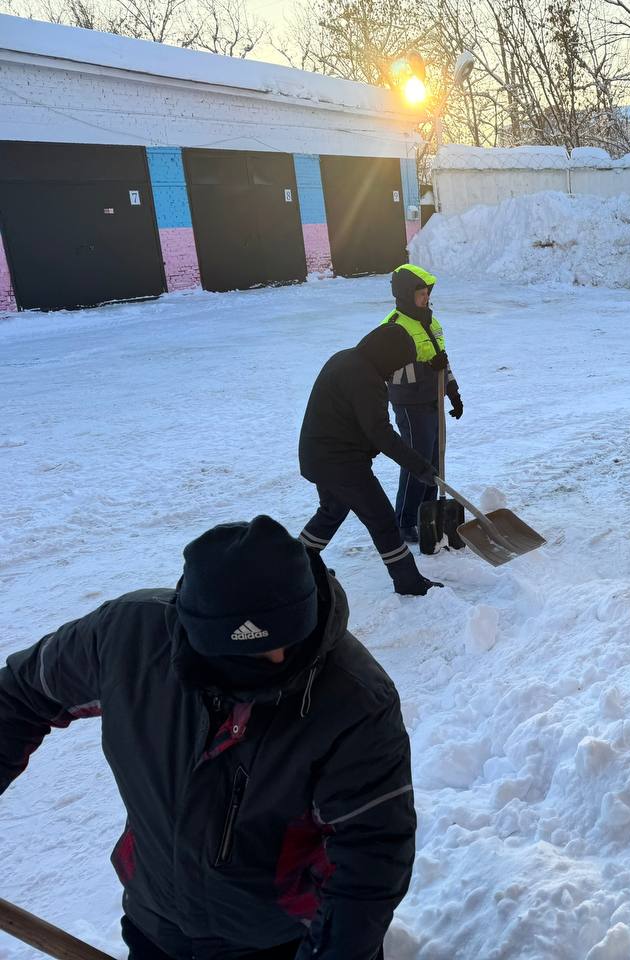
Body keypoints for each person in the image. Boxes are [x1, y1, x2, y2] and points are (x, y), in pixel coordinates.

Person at [0, 516, 416, 959]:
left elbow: (371, 857)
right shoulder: (129, 640)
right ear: (196, 632)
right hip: (155, 920)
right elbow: (20, 695)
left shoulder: (355, 700)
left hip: (279, 939)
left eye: (288, 640)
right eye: (247, 652)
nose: (276, 659)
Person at [298, 322, 438, 595]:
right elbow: (380, 432)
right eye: (397, 364)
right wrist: (420, 467)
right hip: (340, 461)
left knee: (332, 511)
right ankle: (408, 582)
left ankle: (296, 565)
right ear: (387, 355)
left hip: (318, 455)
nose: (395, 372)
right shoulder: (366, 378)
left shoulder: (345, 358)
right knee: (383, 519)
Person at [382, 264, 463, 544]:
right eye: (420, 293)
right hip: (410, 403)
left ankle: (425, 513)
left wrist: (453, 390)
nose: (425, 297)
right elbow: (391, 373)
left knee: (434, 458)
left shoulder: (430, 321)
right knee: (416, 460)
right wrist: (429, 368)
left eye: (427, 292)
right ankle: (404, 520)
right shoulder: (394, 327)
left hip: (432, 398)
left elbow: (442, 359)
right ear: (406, 294)